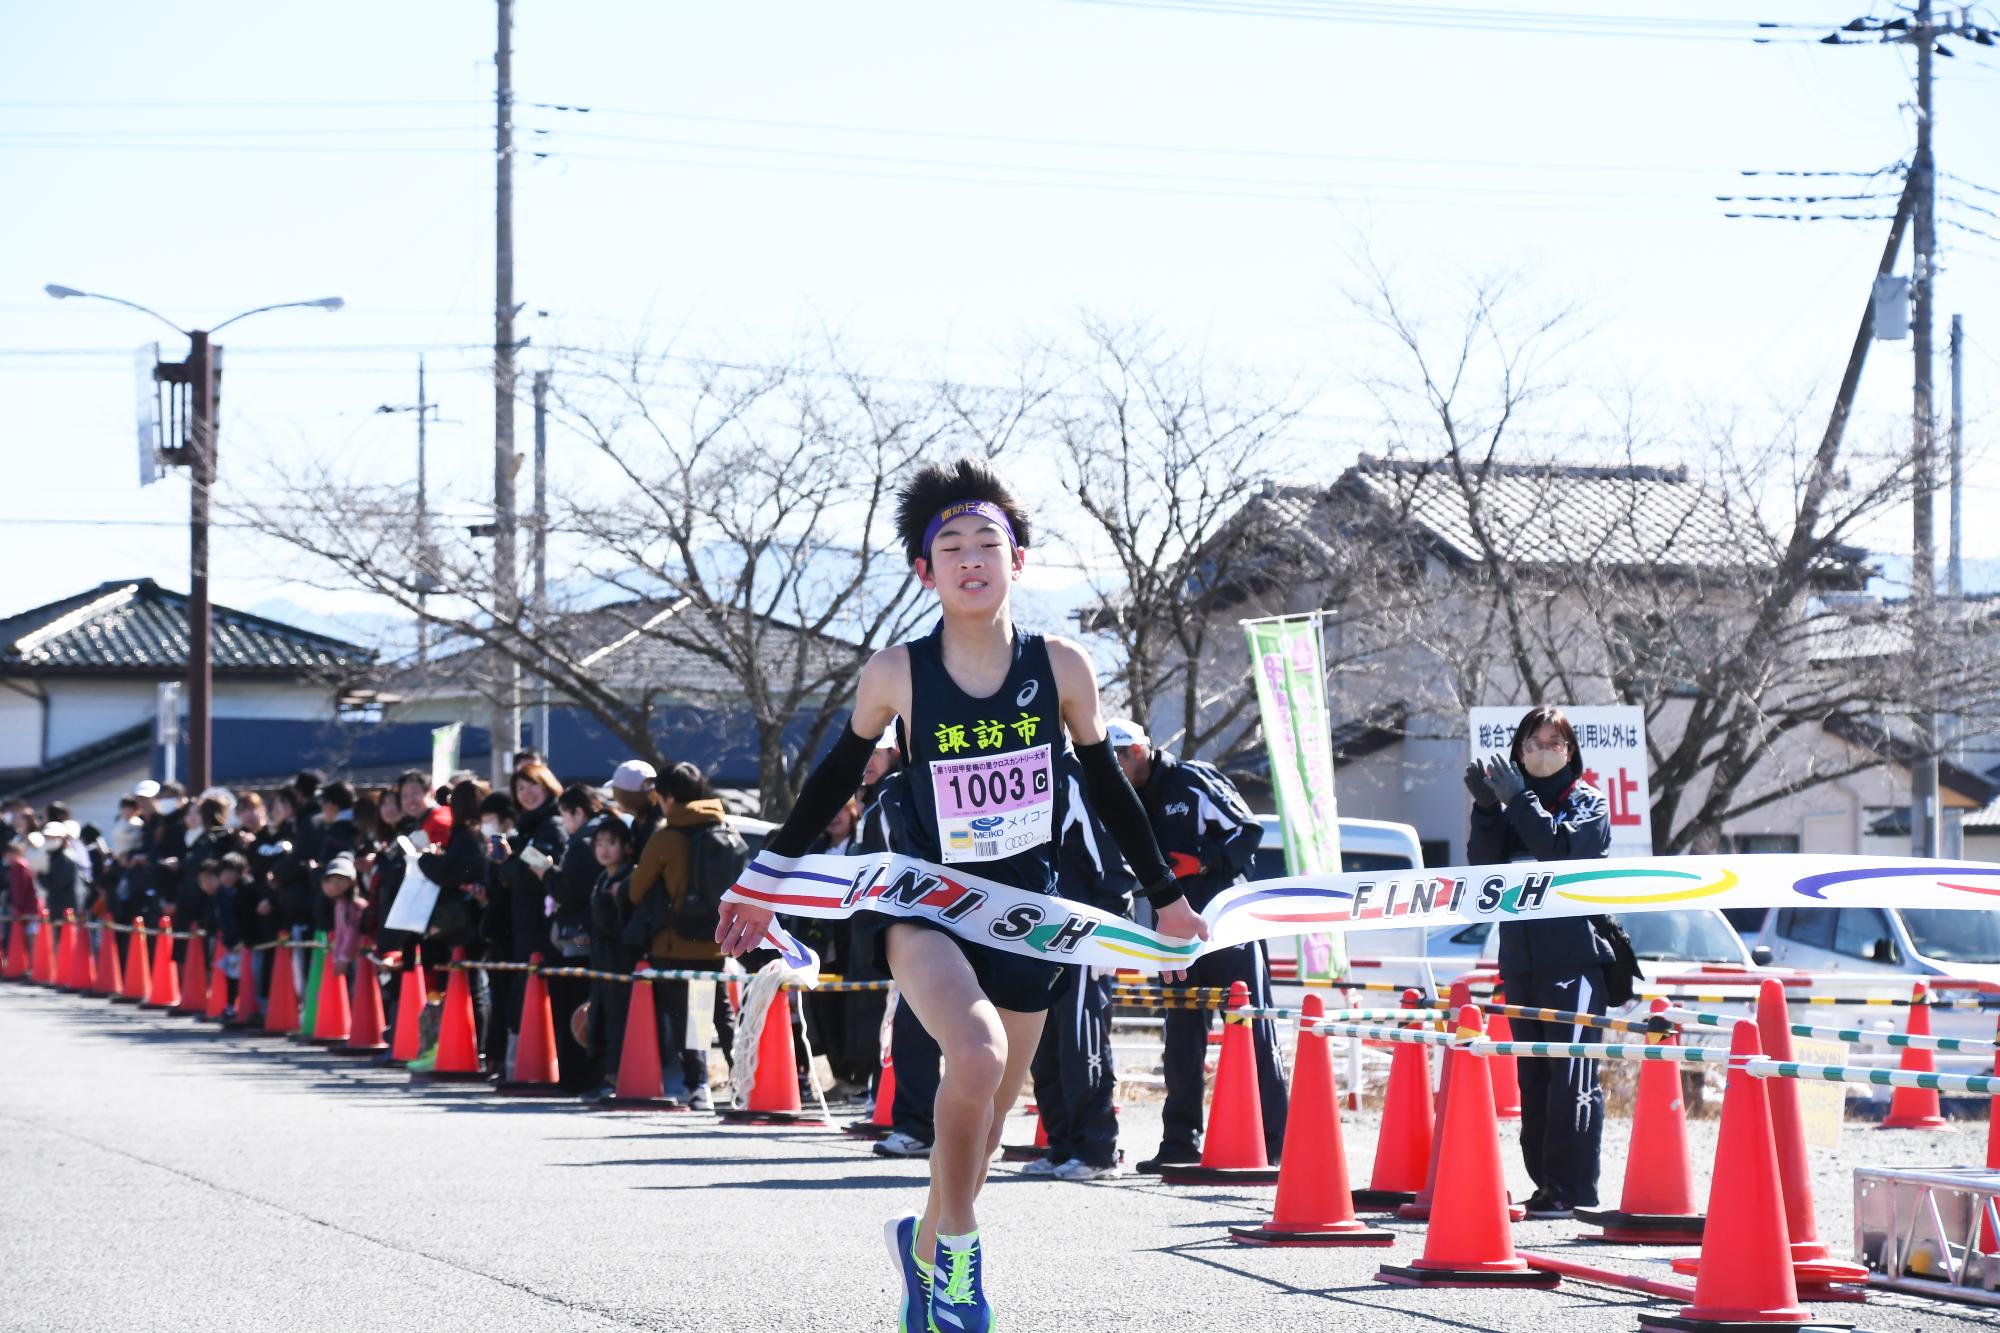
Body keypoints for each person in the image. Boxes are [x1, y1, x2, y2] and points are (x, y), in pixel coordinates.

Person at [715, 458, 1204, 1333]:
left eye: (989, 542)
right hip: (928, 904)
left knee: (983, 1122)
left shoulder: (1061, 666)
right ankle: (963, 1258)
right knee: (972, 1057)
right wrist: (760, 881)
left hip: (1031, 916)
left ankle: (927, 1244)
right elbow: (831, 782)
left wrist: (1167, 899)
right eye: (951, 546)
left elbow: (1108, 789)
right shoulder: (897, 672)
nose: (972, 558)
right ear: (924, 571)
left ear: (1019, 559)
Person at [1109, 718, 1286, 1172]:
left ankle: (1276, 1141)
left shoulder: (1192, 779)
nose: (1115, 766)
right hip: (1174, 932)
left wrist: (1202, 862)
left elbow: (1249, 829)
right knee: (1181, 1037)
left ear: (1142, 750)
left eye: (1121, 756)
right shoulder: (1121, 798)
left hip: (1226, 923)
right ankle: (1180, 1142)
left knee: (1250, 1028)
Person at [1466, 704, 1613, 1219]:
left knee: (1571, 1076)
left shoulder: (1588, 803)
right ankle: (1546, 1186)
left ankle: (1574, 1189)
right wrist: (1487, 811)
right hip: (1522, 963)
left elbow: (1560, 852)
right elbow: (1482, 869)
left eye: (1553, 743)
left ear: (1569, 751)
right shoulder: (1511, 807)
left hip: (1575, 961)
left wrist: (1517, 800)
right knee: (1534, 1079)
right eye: (1531, 744)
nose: (1541, 752)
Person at [1021, 755, 1137, 1181]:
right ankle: (1062, 1145)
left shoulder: (1073, 774)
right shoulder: (1018, 769)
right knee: (1041, 1045)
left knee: (1081, 1038)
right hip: (1030, 932)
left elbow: (1110, 855)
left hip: (1084, 931)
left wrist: (1111, 927)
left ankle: (1097, 1149)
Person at [628, 761, 739, 1111]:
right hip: (716, 940)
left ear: (669, 798)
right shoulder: (724, 828)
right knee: (719, 1014)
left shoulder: (665, 837)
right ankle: (746, 1080)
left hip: (675, 941)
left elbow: (635, 890)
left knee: (686, 1017)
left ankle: (699, 1086)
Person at [548, 784, 609, 1090]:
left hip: (581, 937)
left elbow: (569, 890)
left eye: (564, 816)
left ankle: (579, 1078)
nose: (564, 823)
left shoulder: (584, 842)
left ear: (578, 812)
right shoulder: (601, 833)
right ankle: (587, 1076)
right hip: (595, 934)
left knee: (576, 1008)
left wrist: (546, 873)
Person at [581, 815, 638, 1101]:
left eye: (611, 843)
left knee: (618, 1021)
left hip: (620, 961)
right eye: (599, 843)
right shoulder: (603, 877)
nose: (604, 849)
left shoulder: (628, 878)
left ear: (626, 847)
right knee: (602, 1019)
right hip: (601, 960)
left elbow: (619, 925)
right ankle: (606, 1076)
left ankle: (617, 1078)